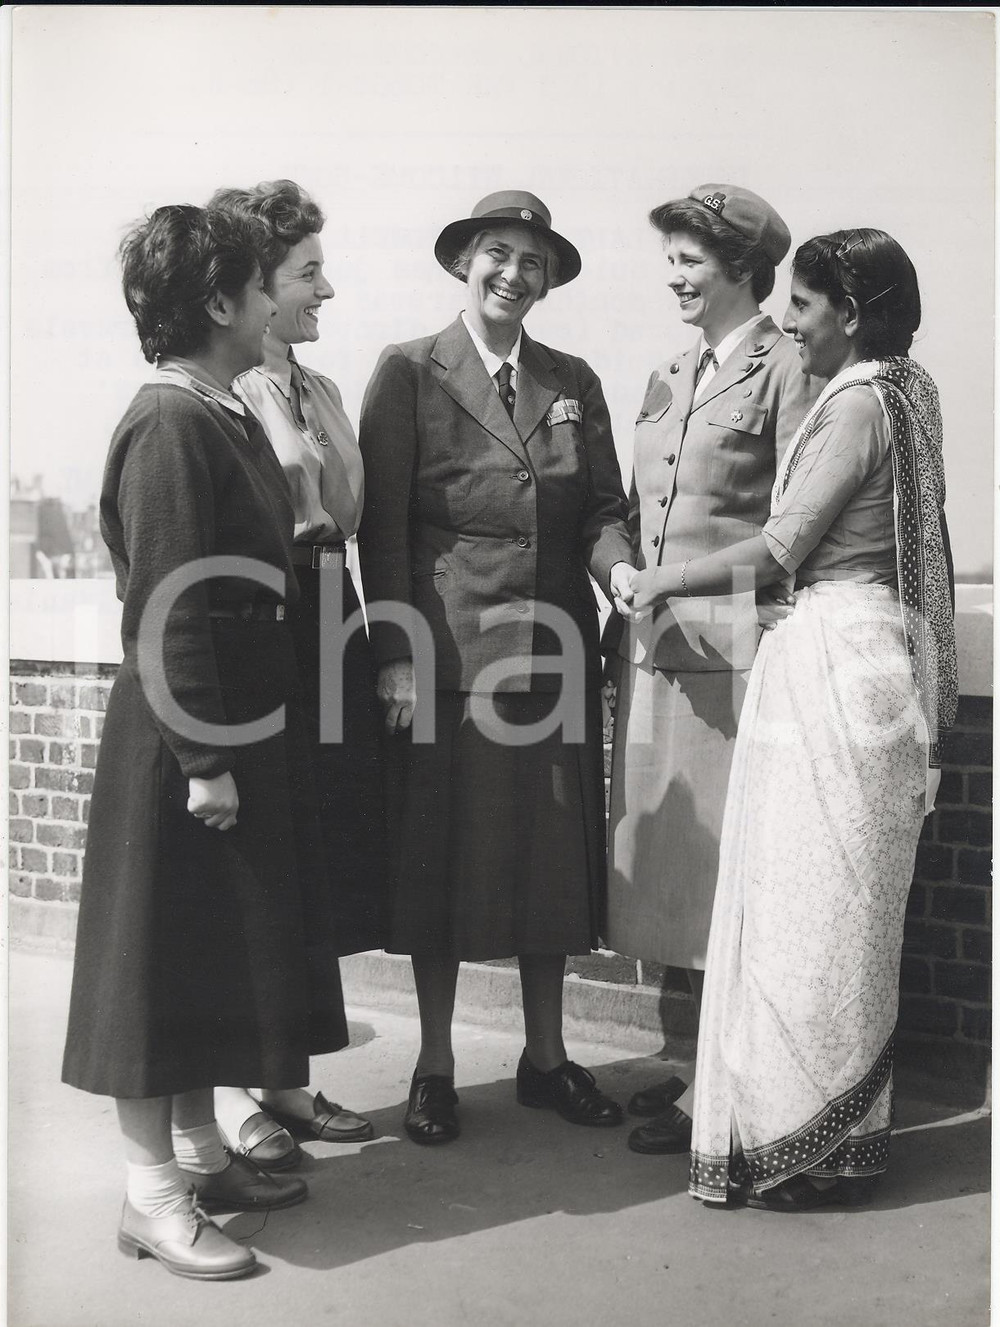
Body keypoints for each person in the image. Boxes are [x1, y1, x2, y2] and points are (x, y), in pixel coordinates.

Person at [622, 228, 956, 1210]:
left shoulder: (858, 400)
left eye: (805, 308)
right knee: (834, 911)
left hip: (832, 668)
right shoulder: (912, 389)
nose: (793, 329)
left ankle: (791, 1144)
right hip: (872, 658)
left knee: (807, 915)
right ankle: (826, 1141)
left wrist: (654, 581)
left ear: (849, 314)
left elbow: (775, 548)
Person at [61, 204, 345, 1279]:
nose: (280, 300)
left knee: (201, 957)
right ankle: (152, 1198)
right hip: (190, 740)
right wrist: (208, 760)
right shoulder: (172, 423)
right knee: (158, 973)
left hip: (226, 727)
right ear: (219, 303)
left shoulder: (219, 412)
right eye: (262, 285)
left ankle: (196, 1153)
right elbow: (170, 610)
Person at [357, 190, 635, 1144]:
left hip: (552, 654)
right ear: (462, 264)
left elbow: (602, 509)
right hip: (445, 660)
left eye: (532, 260)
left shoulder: (574, 379)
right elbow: (381, 527)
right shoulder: (406, 372)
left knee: (551, 866)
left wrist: (622, 571)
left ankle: (546, 1057)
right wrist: (393, 654)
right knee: (440, 864)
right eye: (496, 254)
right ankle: (434, 1066)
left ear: (550, 278)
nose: (514, 273)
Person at [603, 185, 820, 1156]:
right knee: (685, 882)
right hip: (656, 662)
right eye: (671, 258)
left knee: (736, 876)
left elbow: (794, 530)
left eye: (690, 260)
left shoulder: (791, 370)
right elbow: (616, 509)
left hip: (738, 666)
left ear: (742, 268)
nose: (673, 276)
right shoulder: (664, 372)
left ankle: (730, 1093)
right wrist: (614, 570)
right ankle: (702, 1073)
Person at [207, 178, 386, 1169]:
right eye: (307, 272)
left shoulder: (317, 389)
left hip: (334, 622)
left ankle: (283, 1074)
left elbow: (345, 519)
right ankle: (234, 1083)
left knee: (308, 851)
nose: (326, 290)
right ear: (258, 288)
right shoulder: (226, 396)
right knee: (257, 857)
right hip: (269, 627)